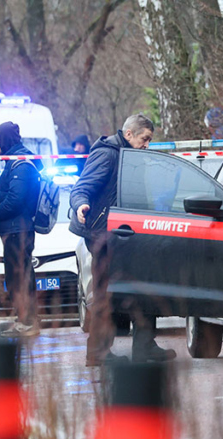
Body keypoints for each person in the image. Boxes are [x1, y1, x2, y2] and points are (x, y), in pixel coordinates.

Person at [69, 113, 176, 365]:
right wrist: (81, 204)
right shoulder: (107, 154)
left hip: (129, 234)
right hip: (103, 235)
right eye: (144, 139)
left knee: (144, 287)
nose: (147, 144)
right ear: (129, 134)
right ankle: (98, 352)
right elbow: (82, 186)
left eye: (149, 140)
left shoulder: (131, 156)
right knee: (105, 293)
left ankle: (145, 346)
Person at [0, 121, 41, 337]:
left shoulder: (20, 163)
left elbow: (15, 199)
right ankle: (24, 320)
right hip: (15, 229)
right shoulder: (15, 161)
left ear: (5, 140)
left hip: (17, 230)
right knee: (18, 276)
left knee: (19, 277)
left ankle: (27, 322)